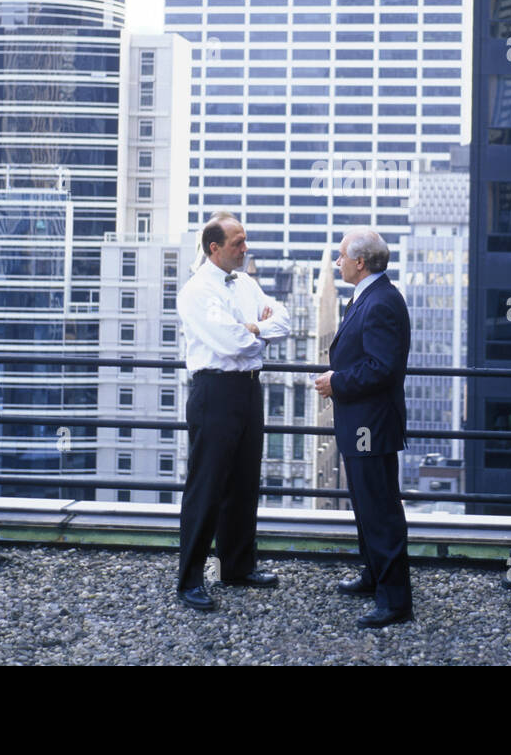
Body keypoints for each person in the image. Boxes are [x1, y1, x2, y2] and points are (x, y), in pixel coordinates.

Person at [176, 213, 290, 611]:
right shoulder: (195, 291)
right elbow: (230, 344)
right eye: (238, 243)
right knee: (206, 488)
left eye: (244, 241)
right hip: (215, 392)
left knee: (245, 482)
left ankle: (238, 567)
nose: (245, 249)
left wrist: (253, 330)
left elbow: (284, 320)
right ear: (214, 248)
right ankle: (189, 579)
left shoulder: (246, 283)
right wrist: (256, 333)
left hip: (248, 391)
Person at [313, 229, 413, 628]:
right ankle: (375, 578)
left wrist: (336, 382)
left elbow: (382, 368)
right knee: (366, 506)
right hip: (361, 424)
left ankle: (395, 602)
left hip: (371, 425)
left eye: (341, 257)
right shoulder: (370, 296)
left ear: (360, 262)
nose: (338, 263)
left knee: (380, 512)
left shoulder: (380, 303)